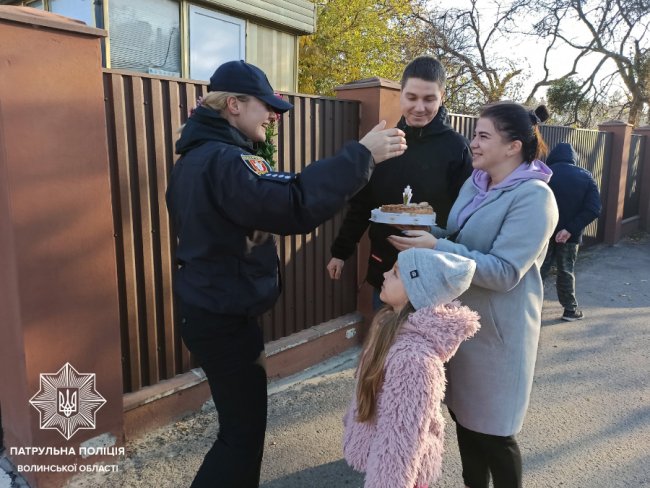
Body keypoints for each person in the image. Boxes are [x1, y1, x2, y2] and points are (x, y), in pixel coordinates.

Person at [165, 60, 407, 488]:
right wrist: (361, 155)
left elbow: (267, 203)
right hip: (222, 320)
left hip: (211, 310)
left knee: (241, 432)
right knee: (240, 437)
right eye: (266, 106)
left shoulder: (195, 158)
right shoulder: (225, 160)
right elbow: (293, 203)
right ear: (235, 105)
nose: (273, 115)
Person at [388, 103, 558, 488]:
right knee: (465, 423)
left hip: (499, 334)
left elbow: (503, 272)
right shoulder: (476, 183)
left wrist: (437, 248)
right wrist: (426, 234)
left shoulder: (534, 198)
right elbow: (460, 239)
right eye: (475, 134)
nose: (473, 144)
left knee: (495, 434)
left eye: (483, 136)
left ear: (513, 146)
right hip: (460, 327)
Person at [326, 56, 473, 309]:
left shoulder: (456, 148)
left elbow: (467, 213)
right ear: (401, 95)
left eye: (429, 99)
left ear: (442, 96)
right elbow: (362, 205)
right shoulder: (384, 144)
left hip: (434, 278)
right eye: (412, 97)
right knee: (384, 346)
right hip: (385, 274)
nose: (419, 107)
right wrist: (341, 252)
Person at [343, 248, 480, 488]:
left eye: (395, 274)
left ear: (415, 292)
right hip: (384, 461)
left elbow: (401, 441)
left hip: (398, 476)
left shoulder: (414, 361)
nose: (385, 274)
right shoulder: (389, 326)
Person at [540, 142, 602, 321]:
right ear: (573, 158)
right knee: (565, 271)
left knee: (537, 272)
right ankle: (569, 310)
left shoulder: (544, 174)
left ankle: (527, 308)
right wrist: (569, 229)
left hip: (544, 233)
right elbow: (594, 209)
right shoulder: (586, 177)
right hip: (570, 236)